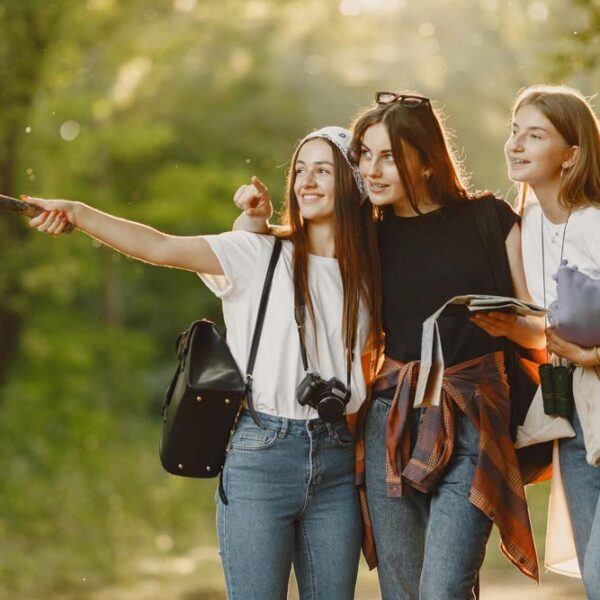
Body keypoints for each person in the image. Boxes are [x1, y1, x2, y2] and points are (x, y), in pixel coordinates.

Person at [25, 126, 381, 600]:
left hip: (337, 457)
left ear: (355, 183)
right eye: (299, 169)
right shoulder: (258, 253)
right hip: (261, 453)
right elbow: (158, 246)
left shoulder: (373, 270)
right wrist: (78, 212)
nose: (306, 181)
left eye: (323, 170)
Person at [235, 92, 546, 599]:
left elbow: (538, 326)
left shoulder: (490, 218)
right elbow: (286, 258)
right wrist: (251, 221)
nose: (371, 170)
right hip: (391, 423)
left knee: (443, 588)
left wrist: (511, 328)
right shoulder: (366, 237)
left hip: (473, 416)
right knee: (402, 591)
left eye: (389, 156)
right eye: (364, 156)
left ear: (426, 162)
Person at [503, 84, 600, 599]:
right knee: (593, 575)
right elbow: (536, 326)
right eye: (514, 130)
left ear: (571, 155)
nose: (516, 143)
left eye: (534, 134)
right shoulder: (526, 226)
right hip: (574, 420)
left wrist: (588, 356)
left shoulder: (596, 223)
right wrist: (496, 323)